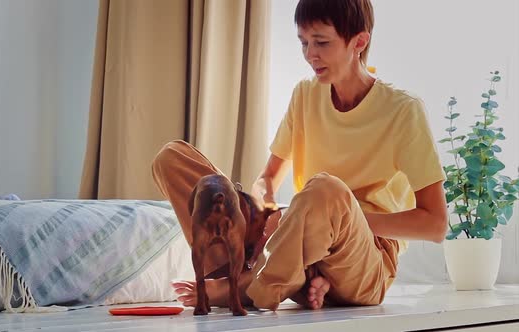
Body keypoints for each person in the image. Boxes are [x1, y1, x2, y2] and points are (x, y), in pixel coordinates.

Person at [152, 0, 448, 311]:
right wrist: (269, 213)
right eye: (304, 42)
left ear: (359, 42)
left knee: (325, 190)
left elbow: (435, 225)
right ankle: (284, 275)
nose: (310, 55)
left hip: (365, 263)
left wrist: (336, 224)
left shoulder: (402, 111)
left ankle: (248, 287)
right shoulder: (306, 94)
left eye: (321, 42)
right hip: (301, 243)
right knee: (173, 158)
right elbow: (267, 179)